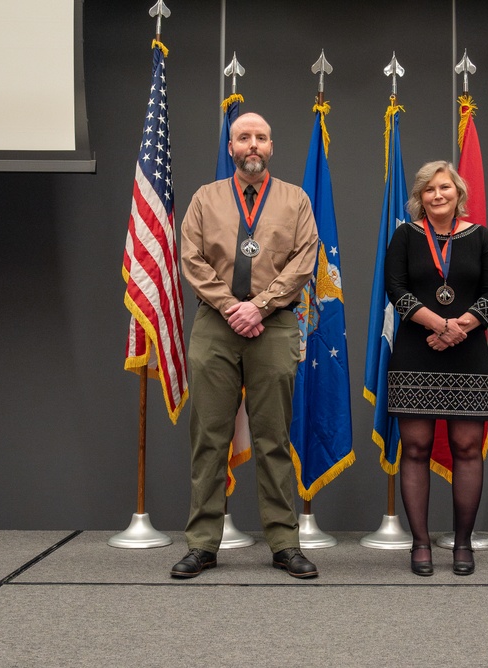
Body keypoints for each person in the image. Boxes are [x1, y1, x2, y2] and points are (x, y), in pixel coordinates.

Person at [172, 112, 320, 579]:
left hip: (274, 325)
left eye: (260, 138)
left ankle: (283, 543)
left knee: (273, 438)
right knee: (209, 438)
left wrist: (258, 306)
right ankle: (202, 545)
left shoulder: (295, 200)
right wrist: (231, 306)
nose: (252, 145)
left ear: (271, 147)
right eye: (243, 138)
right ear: (231, 147)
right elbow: (190, 258)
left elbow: (304, 259)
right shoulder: (205, 199)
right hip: (215, 325)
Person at [385, 161, 488, 576]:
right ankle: (420, 546)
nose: (438, 195)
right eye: (430, 189)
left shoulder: (480, 237)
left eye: (445, 188)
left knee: (467, 449)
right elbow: (395, 288)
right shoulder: (405, 236)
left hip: (468, 356)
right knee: (414, 450)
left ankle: (463, 545)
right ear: (420, 196)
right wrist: (438, 325)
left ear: (458, 194)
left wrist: (457, 329)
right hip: (415, 352)